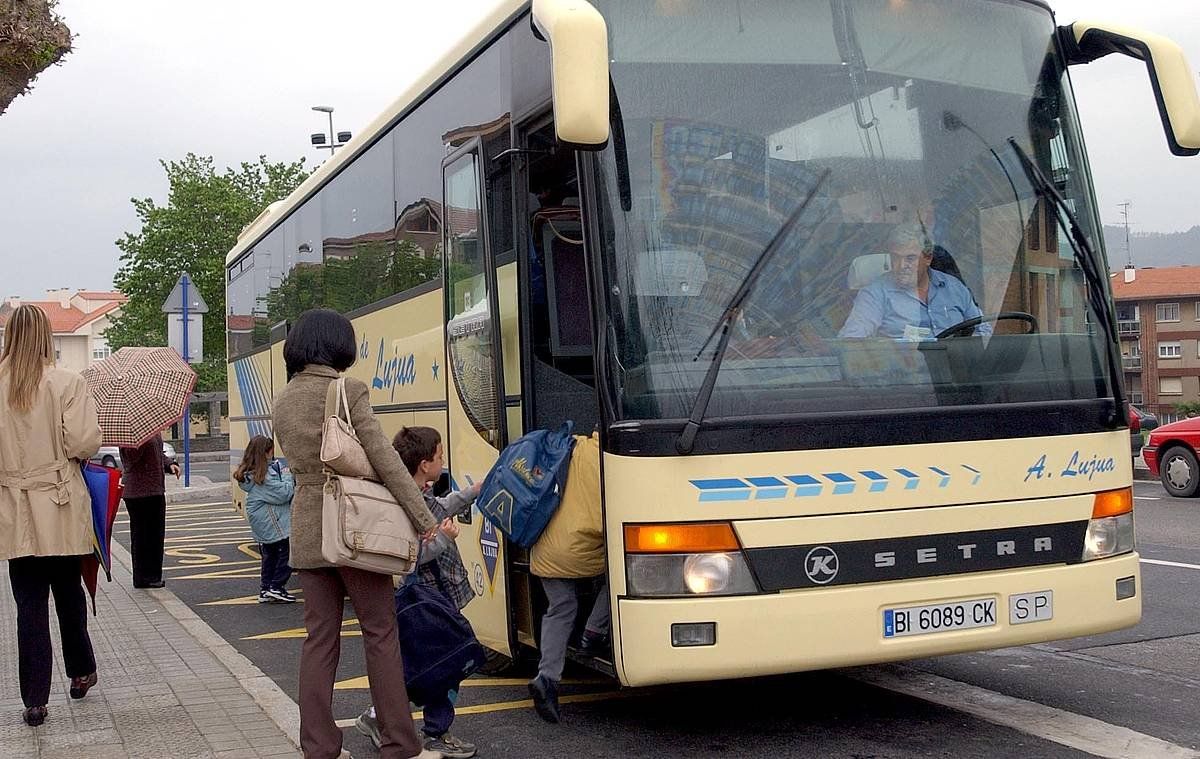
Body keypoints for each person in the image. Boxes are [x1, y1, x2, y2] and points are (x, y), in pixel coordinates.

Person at [272, 309, 442, 759]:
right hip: (353, 526)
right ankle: (400, 744)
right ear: (337, 346)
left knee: (319, 639)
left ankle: (319, 747)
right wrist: (424, 520)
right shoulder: (347, 390)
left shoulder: (283, 399)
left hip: (308, 528)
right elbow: (386, 460)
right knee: (380, 633)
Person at [0, 304, 103, 726]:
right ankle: (80, 671)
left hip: (13, 506)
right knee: (68, 594)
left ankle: (35, 699)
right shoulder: (66, 383)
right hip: (59, 502)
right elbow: (83, 443)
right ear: (46, 338)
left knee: (28, 606)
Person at [356, 426, 481, 759]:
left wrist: (473, 491)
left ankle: (386, 717)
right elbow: (408, 556)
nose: (443, 461)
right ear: (425, 464)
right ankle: (429, 730)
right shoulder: (403, 504)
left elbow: (441, 505)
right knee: (444, 664)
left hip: (436, 597)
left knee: (435, 664)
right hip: (428, 601)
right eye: (440, 456)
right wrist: (444, 540)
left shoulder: (417, 493)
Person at [527, 430, 609, 724]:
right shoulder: (613, 461)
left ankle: (547, 678)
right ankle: (593, 634)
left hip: (545, 542)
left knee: (561, 607)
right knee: (626, 576)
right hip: (579, 548)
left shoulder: (575, 444)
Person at [838, 222, 991, 340]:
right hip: (906, 376)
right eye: (895, 258)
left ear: (928, 258)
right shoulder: (875, 293)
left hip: (956, 372)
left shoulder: (954, 287)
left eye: (910, 258)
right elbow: (852, 340)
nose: (902, 266)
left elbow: (984, 330)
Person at [234, 435, 297, 604]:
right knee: (290, 552)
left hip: (264, 522)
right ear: (267, 453)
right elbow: (284, 494)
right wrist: (288, 475)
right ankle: (276, 586)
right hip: (273, 521)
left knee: (270, 555)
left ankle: (266, 588)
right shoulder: (263, 477)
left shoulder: (251, 473)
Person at [119, 431, 180, 588]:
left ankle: (153, 575)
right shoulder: (130, 433)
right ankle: (143, 578)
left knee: (155, 535)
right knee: (142, 536)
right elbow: (130, 460)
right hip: (139, 492)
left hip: (154, 489)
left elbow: (158, 453)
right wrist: (141, 440)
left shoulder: (150, 429)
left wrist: (170, 464)